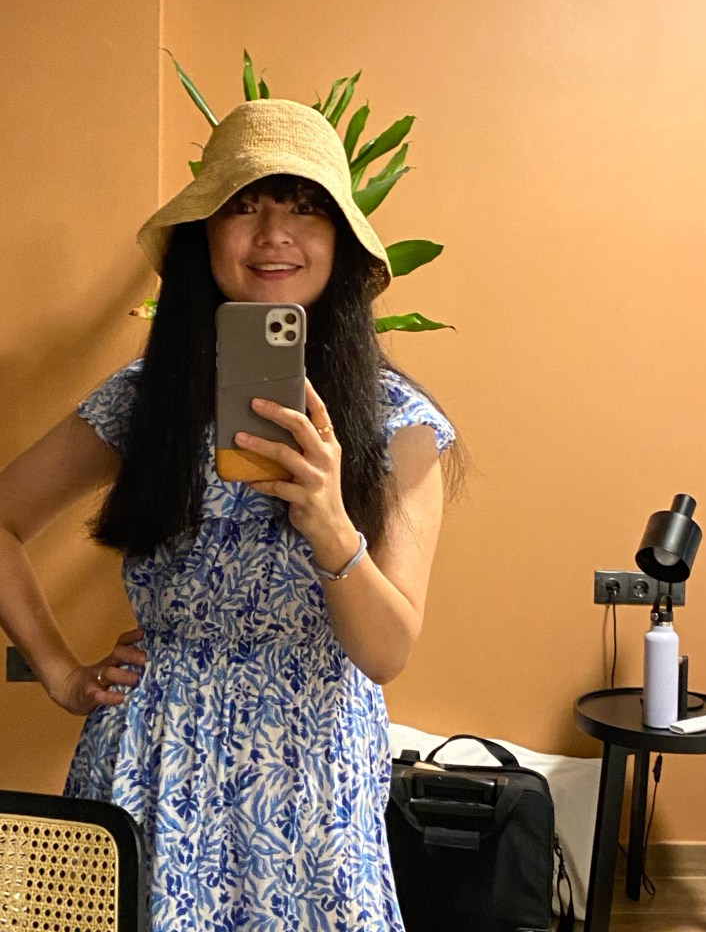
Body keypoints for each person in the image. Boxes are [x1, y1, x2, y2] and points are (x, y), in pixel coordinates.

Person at [0, 98, 460, 931]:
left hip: (313, 779)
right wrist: (62, 673)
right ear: (204, 235)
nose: (274, 234)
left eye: (305, 207)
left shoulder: (398, 426)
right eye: (244, 205)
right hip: (151, 760)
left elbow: (387, 651)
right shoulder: (146, 402)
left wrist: (330, 522)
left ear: (341, 243)